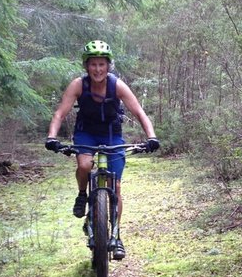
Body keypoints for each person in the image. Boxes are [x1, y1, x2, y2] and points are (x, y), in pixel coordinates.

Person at [45, 40, 159, 260]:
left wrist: (151, 137)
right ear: (87, 66)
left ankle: (116, 234)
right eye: (93, 64)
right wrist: (52, 137)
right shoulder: (78, 85)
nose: (97, 69)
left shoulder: (117, 85)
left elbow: (140, 113)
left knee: (115, 186)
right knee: (84, 165)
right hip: (86, 132)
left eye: (102, 64)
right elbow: (60, 113)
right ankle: (81, 194)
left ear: (108, 66)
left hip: (111, 134)